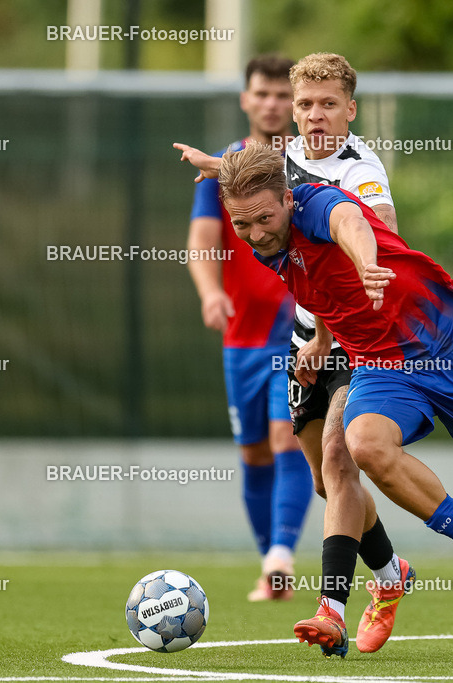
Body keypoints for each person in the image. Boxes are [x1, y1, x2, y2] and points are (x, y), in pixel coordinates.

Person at [215, 142, 453, 657]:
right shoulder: (268, 234)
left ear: (287, 197)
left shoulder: (318, 203)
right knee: (359, 447)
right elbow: (315, 282)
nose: (255, 234)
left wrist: (368, 263)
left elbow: (351, 222)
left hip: (447, 345)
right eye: (241, 226)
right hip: (380, 365)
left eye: (262, 219)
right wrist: (322, 339)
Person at [176, 53, 413, 658]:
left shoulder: (355, 168)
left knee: (332, 455)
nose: (305, 113)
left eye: (317, 102)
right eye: (298, 103)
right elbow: (229, 203)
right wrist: (211, 166)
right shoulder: (271, 163)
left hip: (343, 338)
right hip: (282, 336)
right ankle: (389, 574)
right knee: (313, 474)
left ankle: (319, 599)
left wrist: (372, 254)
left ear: (348, 108)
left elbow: (374, 222)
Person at [185, 54, 312, 603]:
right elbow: (202, 240)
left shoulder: (308, 164)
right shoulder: (223, 166)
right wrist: (211, 292)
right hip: (241, 333)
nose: (273, 104)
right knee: (255, 453)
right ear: (246, 99)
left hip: (299, 327)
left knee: (289, 437)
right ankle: (271, 566)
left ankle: (282, 558)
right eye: (263, 94)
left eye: (285, 96)